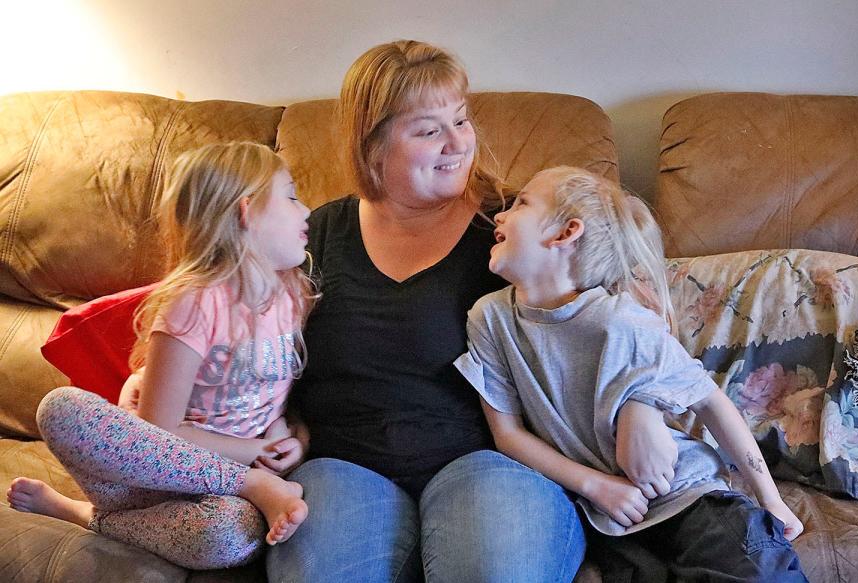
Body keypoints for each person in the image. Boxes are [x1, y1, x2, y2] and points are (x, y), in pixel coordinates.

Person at [268, 40, 611, 582]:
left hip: (492, 463)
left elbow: (607, 319)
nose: (458, 144)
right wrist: (160, 371)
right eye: (429, 131)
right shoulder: (317, 234)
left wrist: (643, 414)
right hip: (343, 466)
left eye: (462, 120)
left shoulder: (513, 228)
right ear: (372, 146)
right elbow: (244, 329)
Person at [453, 166, 808, 581]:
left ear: (565, 233)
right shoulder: (489, 319)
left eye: (522, 204)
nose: (500, 216)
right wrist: (595, 486)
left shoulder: (623, 322)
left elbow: (710, 401)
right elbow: (508, 435)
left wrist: (771, 498)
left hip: (693, 501)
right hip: (616, 526)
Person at [6, 142, 315, 570]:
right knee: (60, 408)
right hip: (160, 478)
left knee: (230, 539)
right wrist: (252, 460)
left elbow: (277, 398)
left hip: (222, 499)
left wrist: (291, 440)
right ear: (247, 213)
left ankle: (85, 516)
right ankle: (250, 485)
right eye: (292, 196)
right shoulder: (195, 303)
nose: (307, 211)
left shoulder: (291, 294)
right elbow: (160, 432)